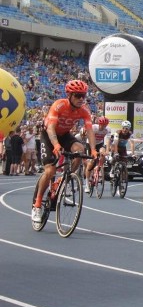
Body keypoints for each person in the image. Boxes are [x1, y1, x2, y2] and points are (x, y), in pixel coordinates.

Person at [32, 80, 98, 223]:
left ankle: (65, 179)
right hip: (49, 135)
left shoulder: (84, 110)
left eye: (83, 96)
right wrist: (55, 144)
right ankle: (37, 205)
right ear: (69, 95)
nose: (81, 99)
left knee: (79, 151)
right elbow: (50, 128)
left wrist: (93, 150)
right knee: (50, 171)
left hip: (65, 135)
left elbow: (90, 131)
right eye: (78, 95)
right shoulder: (59, 105)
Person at [81, 115, 112, 194]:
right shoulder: (94, 128)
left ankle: (99, 167)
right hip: (90, 144)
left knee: (103, 152)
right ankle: (87, 184)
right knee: (90, 163)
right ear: (99, 124)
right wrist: (93, 150)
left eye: (105, 125)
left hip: (99, 143)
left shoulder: (107, 130)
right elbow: (89, 137)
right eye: (102, 125)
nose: (103, 126)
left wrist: (107, 150)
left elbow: (108, 141)